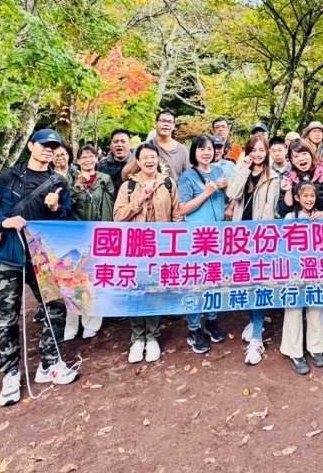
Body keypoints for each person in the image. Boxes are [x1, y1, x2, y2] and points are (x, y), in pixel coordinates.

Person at [0, 128, 76, 408]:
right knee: (6, 317)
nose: (48, 150)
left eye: (53, 147)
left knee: (55, 306)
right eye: (44, 145)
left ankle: (50, 363)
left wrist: (55, 208)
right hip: (7, 256)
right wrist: (2, 223)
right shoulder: (8, 177)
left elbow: (66, 221)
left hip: (42, 257)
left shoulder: (59, 182)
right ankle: (10, 374)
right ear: (31, 145)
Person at [113, 142, 184, 363]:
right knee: (135, 292)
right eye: (144, 157)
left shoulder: (169, 183)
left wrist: (175, 245)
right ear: (138, 161)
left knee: (155, 291)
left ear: (158, 159)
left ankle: (152, 337)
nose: (149, 161)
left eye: (153, 156)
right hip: (135, 248)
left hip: (161, 247)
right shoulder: (129, 187)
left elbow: (177, 215)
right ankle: (137, 338)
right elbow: (117, 216)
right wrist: (140, 199)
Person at [278, 138, 323, 346]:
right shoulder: (289, 178)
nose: (300, 158)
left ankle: (322, 329)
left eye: (304, 153)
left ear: (311, 154)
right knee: (297, 284)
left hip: (321, 238)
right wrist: (287, 189)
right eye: (295, 156)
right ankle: (295, 340)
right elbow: (283, 210)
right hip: (297, 242)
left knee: (319, 283)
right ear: (291, 160)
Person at [226, 132, 282, 365]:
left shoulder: (274, 177)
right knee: (244, 282)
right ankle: (253, 321)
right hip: (240, 236)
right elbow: (231, 194)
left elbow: (269, 211)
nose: (258, 155)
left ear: (267, 151)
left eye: (261, 150)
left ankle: (257, 338)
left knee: (259, 284)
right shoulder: (243, 172)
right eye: (254, 150)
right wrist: (242, 169)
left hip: (260, 238)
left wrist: (263, 242)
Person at [178, 135, 229, 354]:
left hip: (218, 236)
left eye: (210, 149)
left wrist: (226, 188)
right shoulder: (188, 177)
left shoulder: (219, 171)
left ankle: (212, 320)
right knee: (195, 282)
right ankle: (194, 328)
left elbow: (228, 199)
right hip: (197, 238)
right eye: (201, 149)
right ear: (194, 152)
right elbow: (182, 208)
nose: (206, 152)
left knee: (215, 279)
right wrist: (206, 193)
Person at [64, 144, 114, 341]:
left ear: (96, 159)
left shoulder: (105, 179)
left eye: (91, 156)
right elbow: (66, 206)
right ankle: (71, 323)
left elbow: (108, 206)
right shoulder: (69, 179)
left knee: (93, 279)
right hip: (75, 235)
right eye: (83, 157)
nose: (87, 160)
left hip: (98, 236)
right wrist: (77, 185)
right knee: (71, 279)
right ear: (77, 160)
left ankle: (91, 323)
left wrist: (107, 233)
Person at [280, 182, 323, 375]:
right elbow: (283, 243)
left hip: (316, 269)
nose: (309, 199)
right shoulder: (290, 217)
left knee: (316, 306)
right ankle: (294, 352)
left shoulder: (322, 217)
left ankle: (316, 348)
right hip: (294, 270)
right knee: (293, 308)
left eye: (312, 196)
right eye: (305, 196)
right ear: (297, 198)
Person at [150, 110, 190, 181]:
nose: (166, 124)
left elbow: (189, 177)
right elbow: (125, 175)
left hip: (175, 191)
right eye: (163, 121)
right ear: (155, 124)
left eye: (169, 122)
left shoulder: (182, 150)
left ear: (174, 126)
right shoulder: (144, 146)